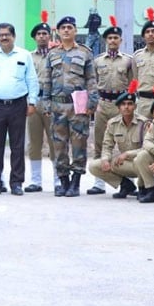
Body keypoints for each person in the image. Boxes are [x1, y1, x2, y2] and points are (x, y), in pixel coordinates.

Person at [0, 23, 39, 195]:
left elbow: (32, 79)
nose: (4, 37)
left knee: (17, 145)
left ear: (14, 36)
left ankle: (16, 183)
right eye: (1, 35)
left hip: (18, 105)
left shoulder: (24, 55)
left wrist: (32, 102)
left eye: (7, 34)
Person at [42, 15, 98, 197]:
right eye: (63, 27)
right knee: (59, 145)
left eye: (70, 27)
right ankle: (63, 181)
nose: (66, 30)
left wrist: (92, 101)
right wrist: (46, 103)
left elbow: (91, 79)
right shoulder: (52, 54)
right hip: (58, 106)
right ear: (58, 32)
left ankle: (75, 182)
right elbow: (47, 80)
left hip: (78, 105)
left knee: (79, 144)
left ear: (75, 31)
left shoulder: (84, 52)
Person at [88, 15, 134, 195]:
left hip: (121, 105)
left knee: (125, 143)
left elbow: (132, 84)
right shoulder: (98, 60)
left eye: (116, 38)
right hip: (103, 104)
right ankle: (99, 182)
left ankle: (129, 181)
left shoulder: (128, 60)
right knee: (100, 142)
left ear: (120, 40)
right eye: (110, 38)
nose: (113, 41)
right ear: (105, 40)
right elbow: (94, 83)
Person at [86, 79, 146, 199]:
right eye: (123, 104)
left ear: (135, 106)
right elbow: (107, 146)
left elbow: (148, 149)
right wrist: (105, 159)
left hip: (142, 164)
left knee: (143, 158)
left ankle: (144, 187)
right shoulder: (113, 124)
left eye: (129, 104)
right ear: (118, 108)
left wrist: (127, 154)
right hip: (125, 164)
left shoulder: (144, 123)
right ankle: (125, 185)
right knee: (94, 166)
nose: (126, 107)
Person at [24, 12, 56, 193]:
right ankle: (35, 180)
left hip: (51, 101)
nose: (42, 36)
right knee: (34, 142)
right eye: (39, 34)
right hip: (34, 102)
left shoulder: (56, 54)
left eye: (45, 34)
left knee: (55, 141)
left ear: (49, 36)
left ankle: (58, 179)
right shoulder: (28, 57)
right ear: (35, 38)